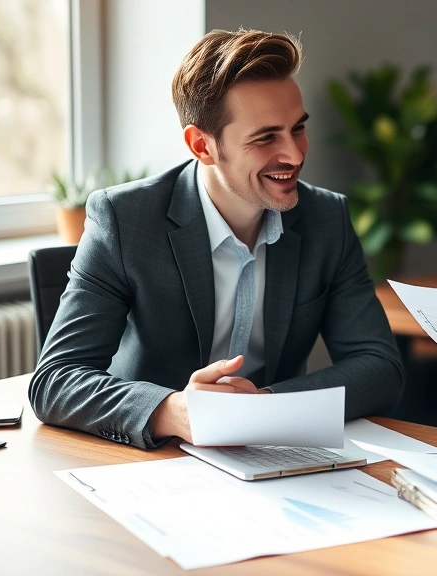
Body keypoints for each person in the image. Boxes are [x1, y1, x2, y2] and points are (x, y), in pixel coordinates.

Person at [29, 29, 404, 449]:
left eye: (297, 129)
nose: (296, 155)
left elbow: (380, 368)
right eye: (265, 138)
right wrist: (174, 411)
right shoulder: (124, 220)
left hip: (272, 458)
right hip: (151, 462)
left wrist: (263, 406)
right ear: (201, 145)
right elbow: (55, 381)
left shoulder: (326, 218)